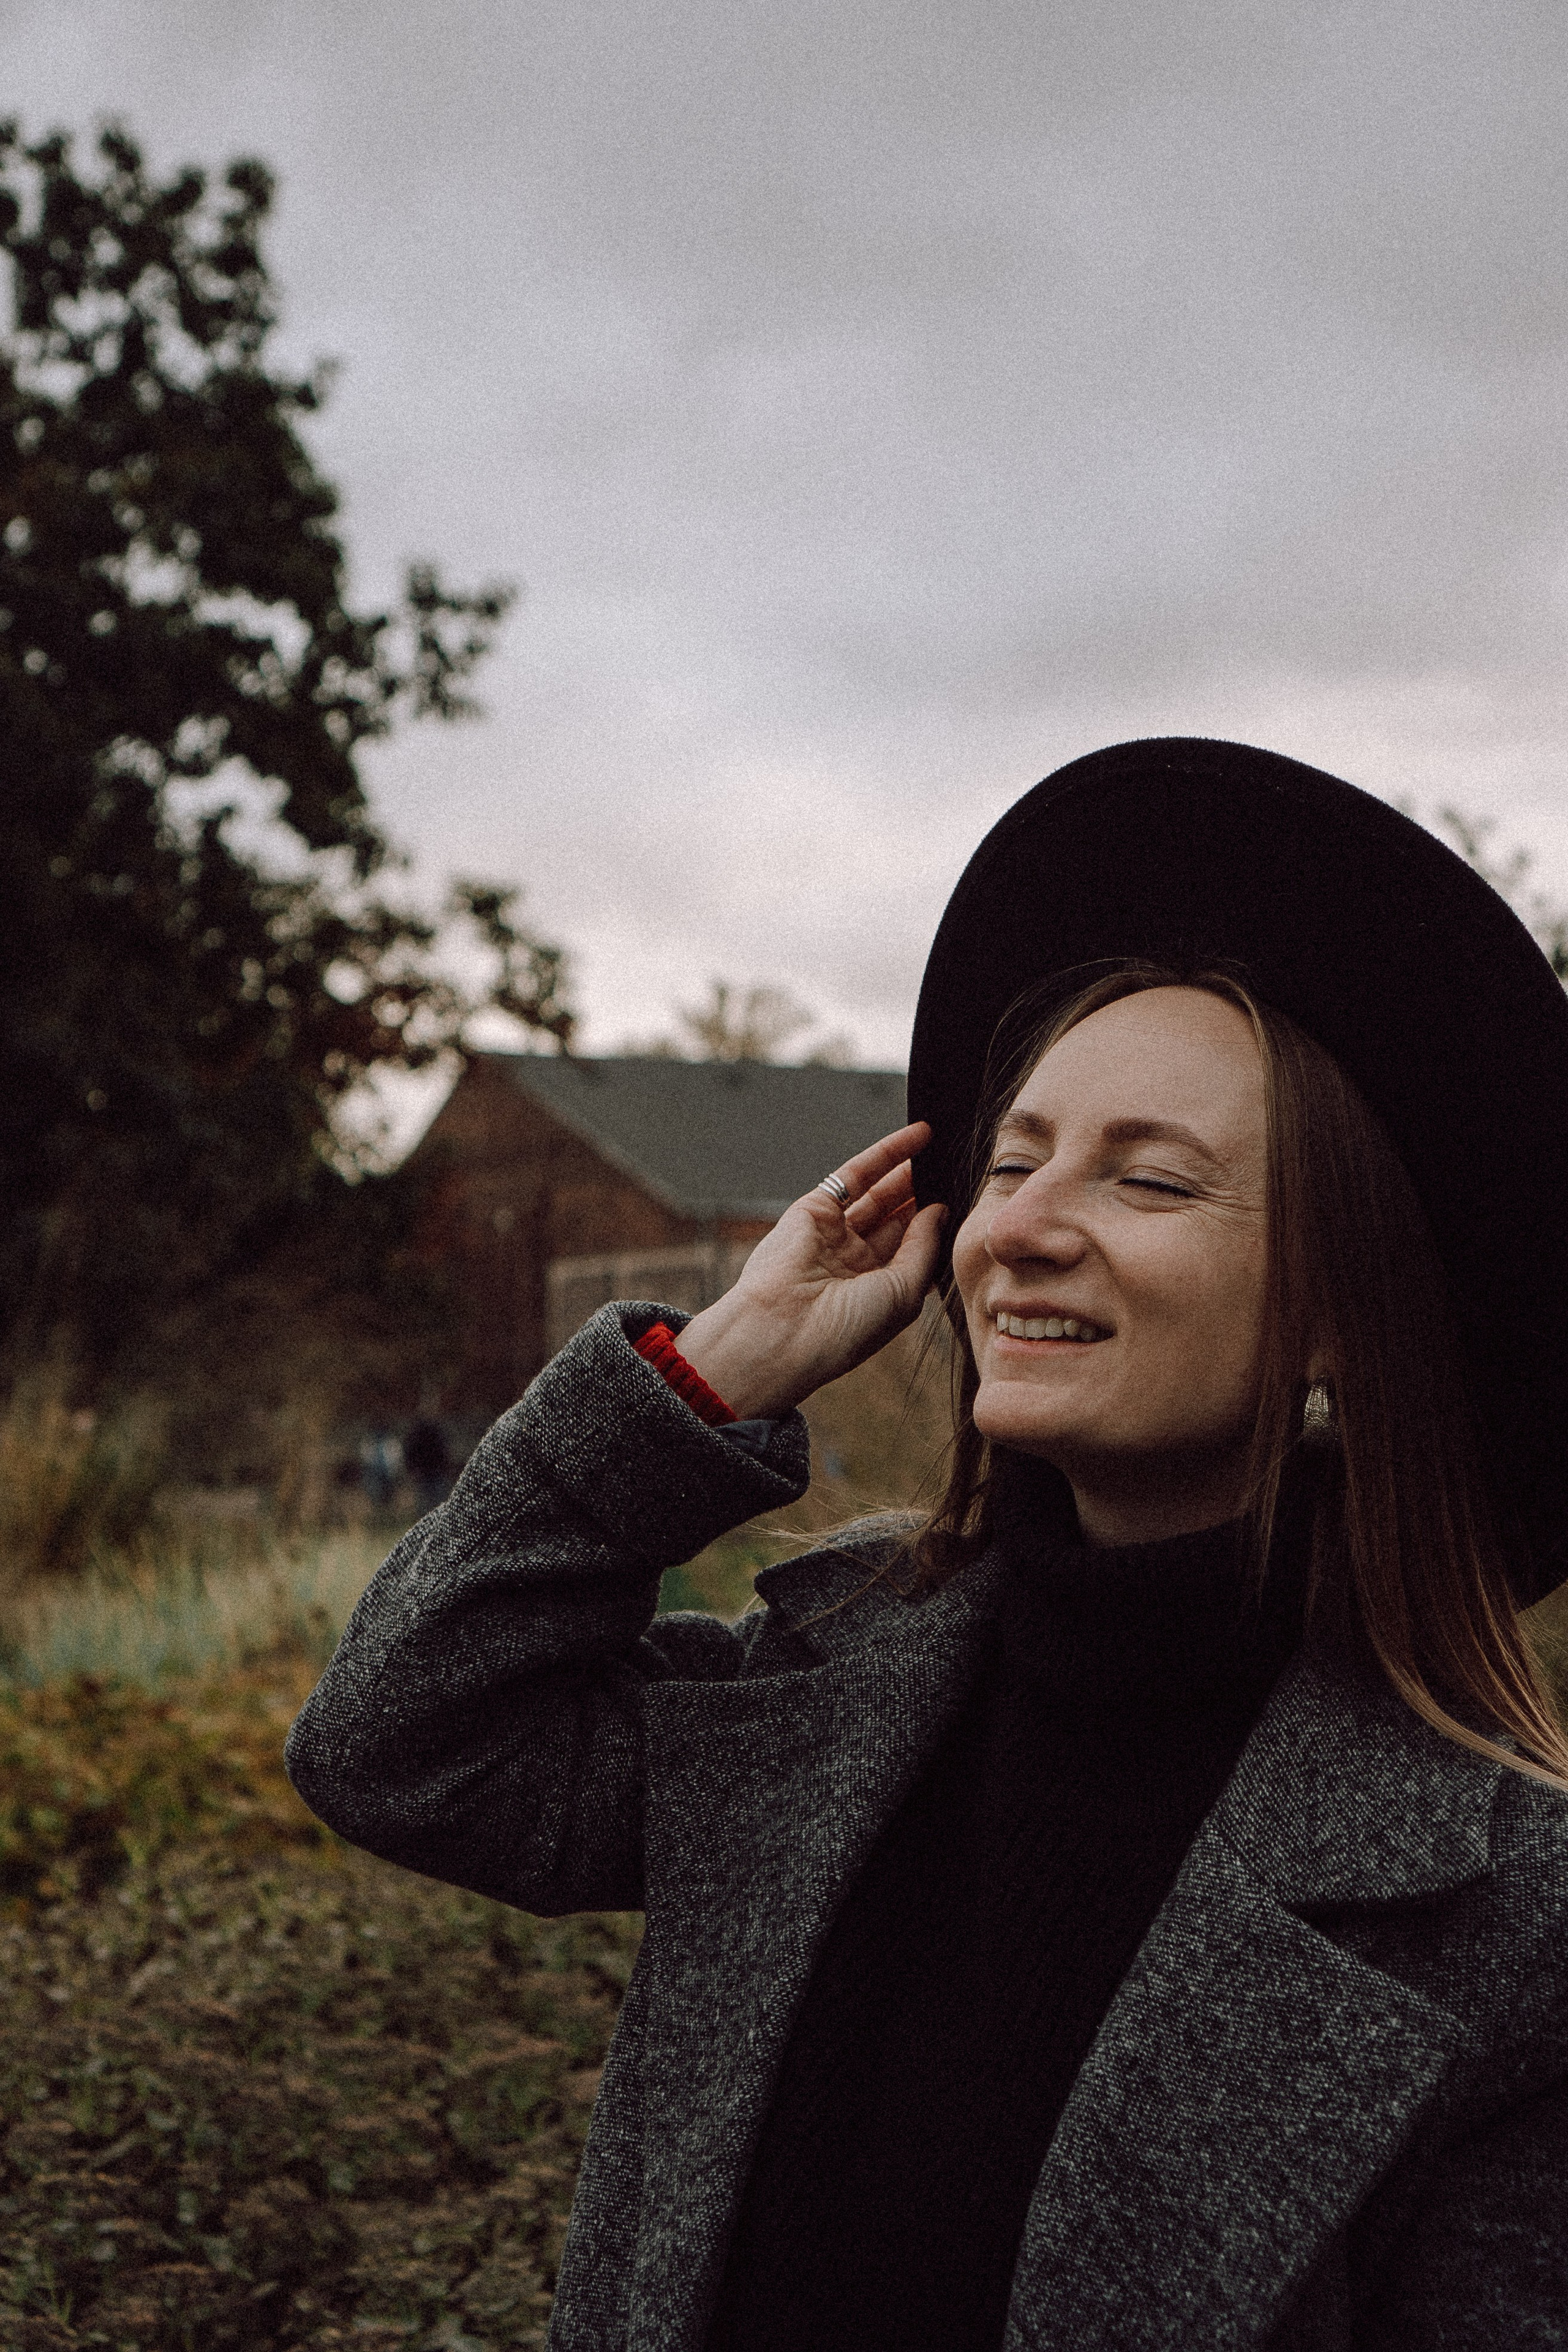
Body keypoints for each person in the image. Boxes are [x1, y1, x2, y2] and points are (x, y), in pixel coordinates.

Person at [287, 739, 1568, 2351]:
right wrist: (719, 1365)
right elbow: (398, 1747)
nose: (1021, 1221)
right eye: (1013, 1158)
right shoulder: (821, 1689)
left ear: (1335, 1315)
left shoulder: (1508, 1926)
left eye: (1151, 1178)